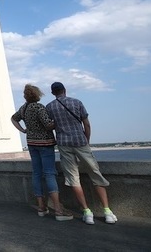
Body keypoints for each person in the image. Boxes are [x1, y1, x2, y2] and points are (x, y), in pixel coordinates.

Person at [46, 82, 117, 225]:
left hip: (64, 144)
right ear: (65, 90)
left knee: (74, 179)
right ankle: (107, 211)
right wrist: (86, 140)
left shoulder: (50, 107)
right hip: (81, 142)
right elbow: (87, 124)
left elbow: (50, 125)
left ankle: (87, 212)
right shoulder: (77, 102)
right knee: (95, 174)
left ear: (53, 93)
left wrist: (58, 124)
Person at [11, 84, 73, 221]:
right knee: (50, 173)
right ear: (37, 95)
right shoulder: (39, 107)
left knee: (37, 173)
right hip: (45, 144)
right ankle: (58, 209)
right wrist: (57, 121)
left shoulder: (24, 108)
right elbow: (48, 125)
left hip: (31, 143)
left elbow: (13, 119)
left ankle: (41, 207)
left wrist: (23, 130)